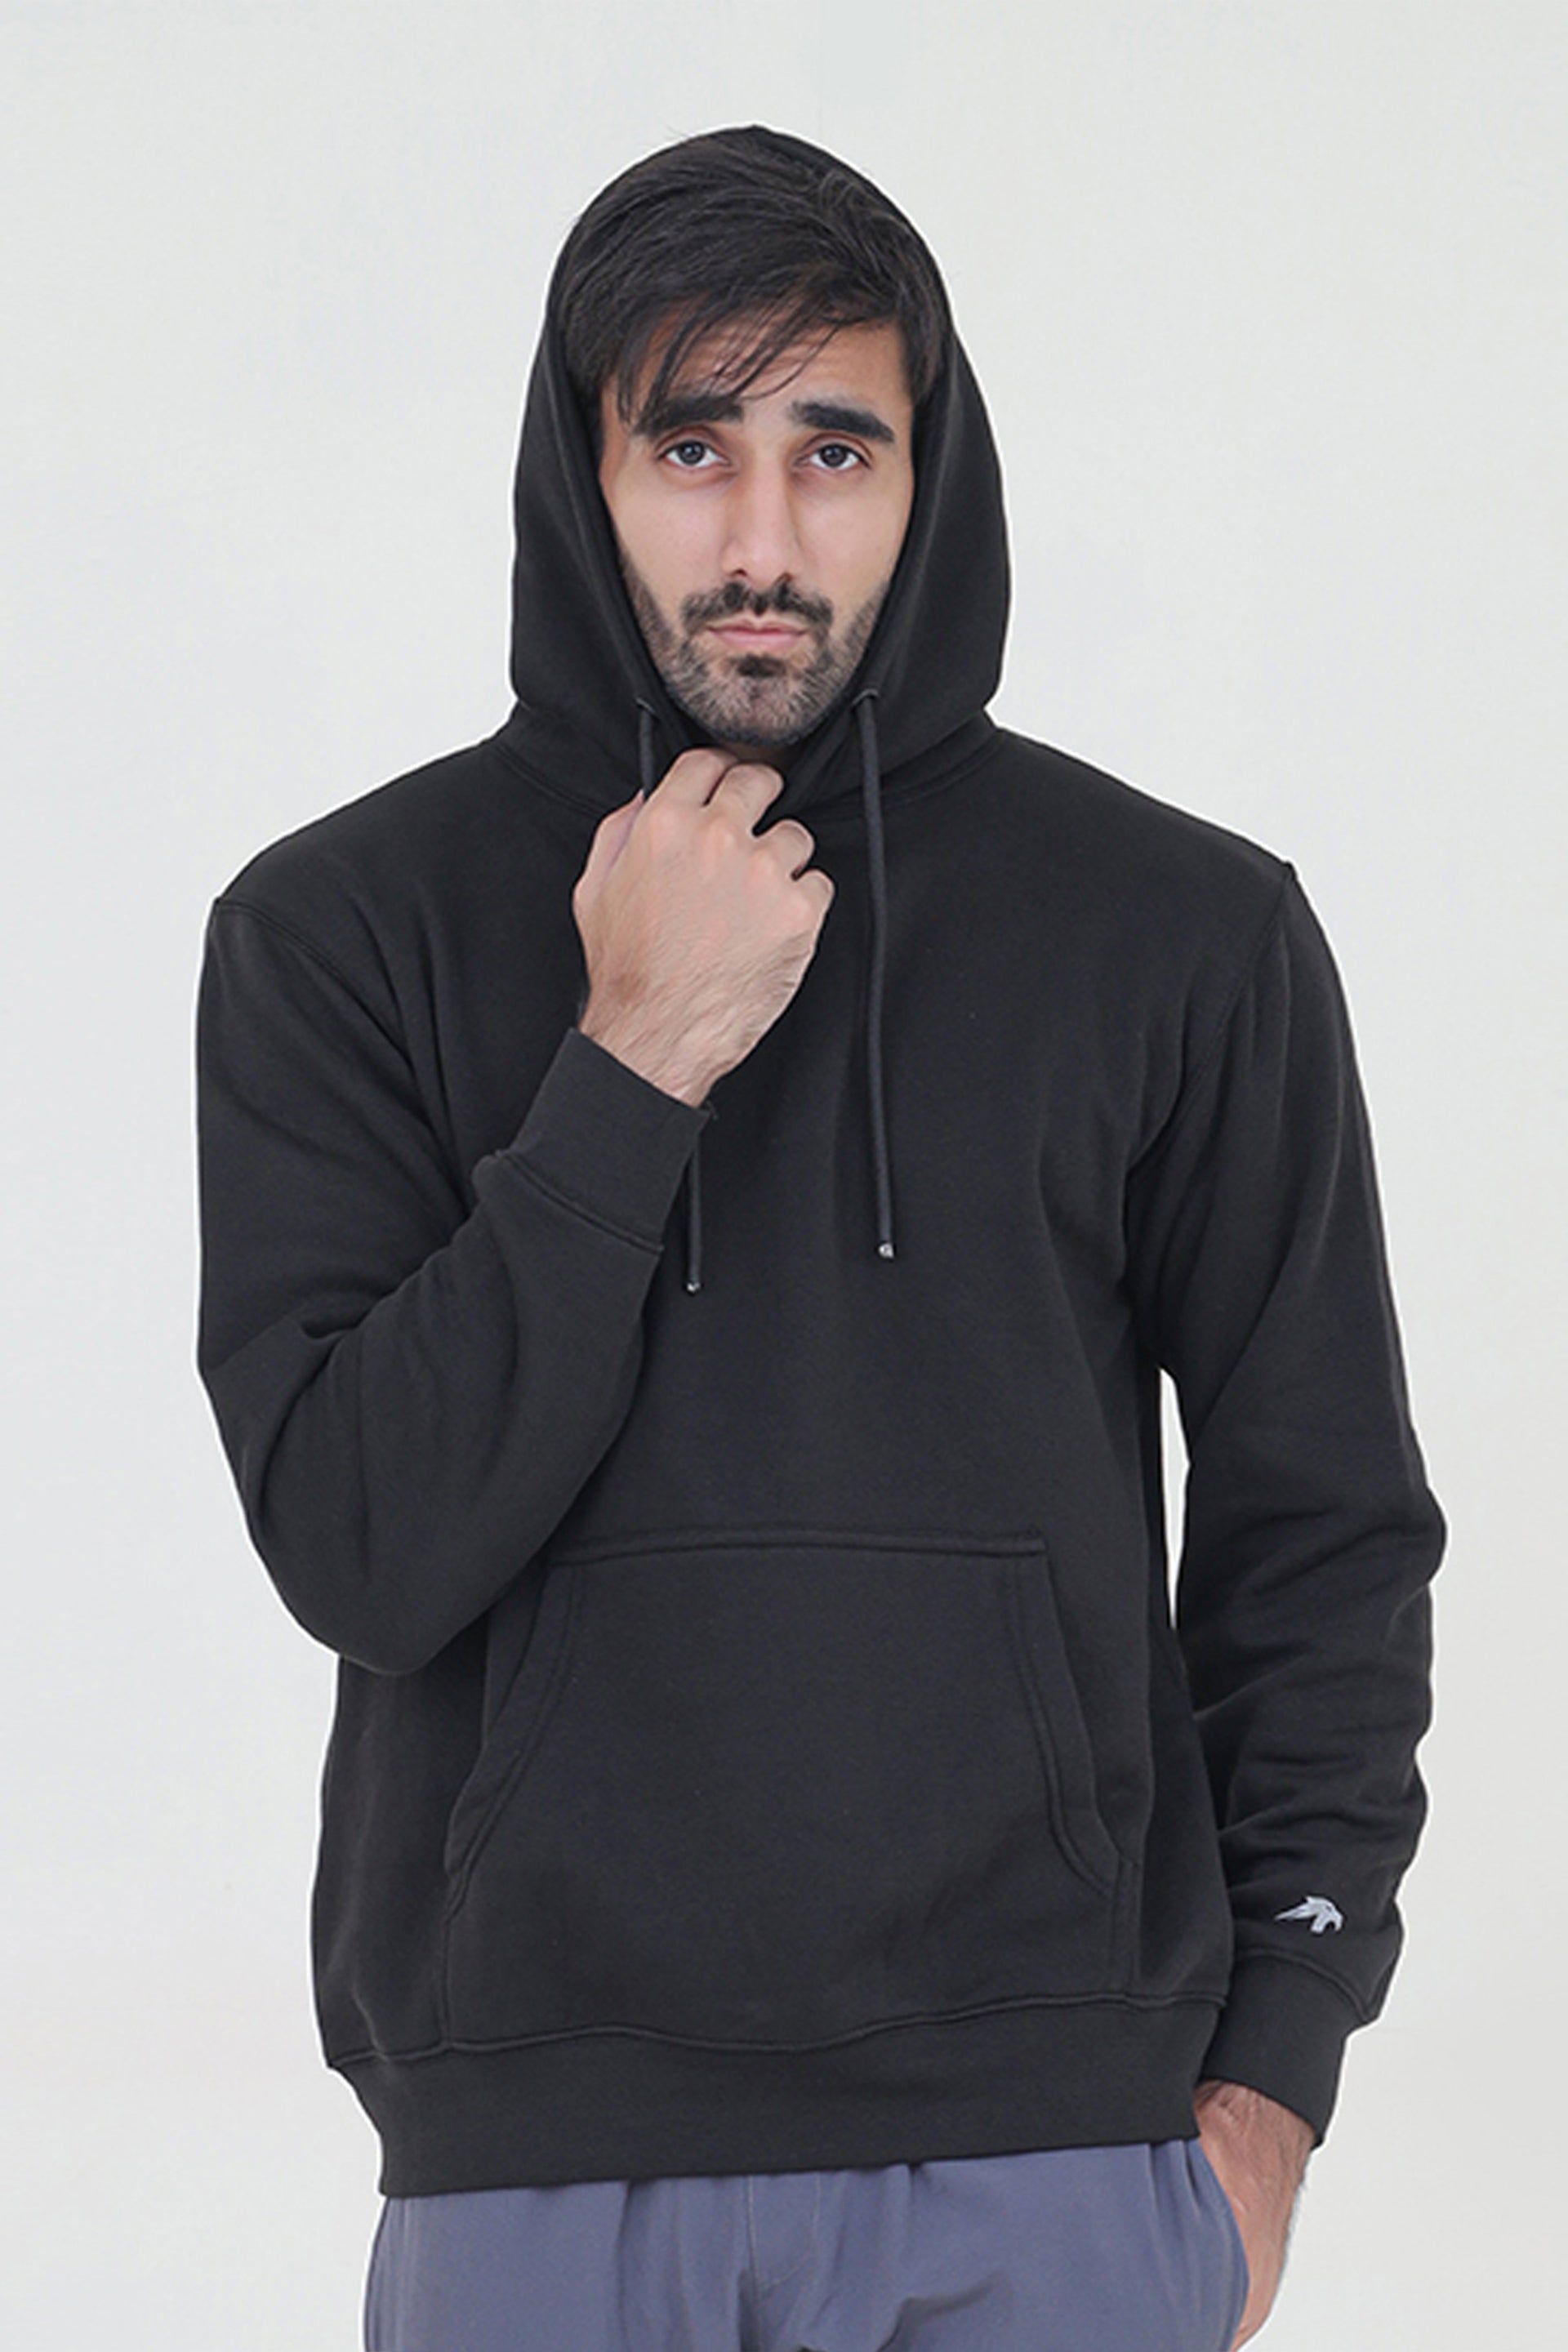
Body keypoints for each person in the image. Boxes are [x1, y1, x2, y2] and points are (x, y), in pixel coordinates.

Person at [194, 125, 1445, 2352]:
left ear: (926, 474)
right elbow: (361, 1551)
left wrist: (1274, 2081)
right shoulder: (340, 935)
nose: (762, 541)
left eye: (833, 450)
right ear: (582, 474)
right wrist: (633, 1061)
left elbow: (1322, 1538)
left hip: (1059, 2159)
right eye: (692, 446)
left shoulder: (1181, 934)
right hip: (530, 2172)